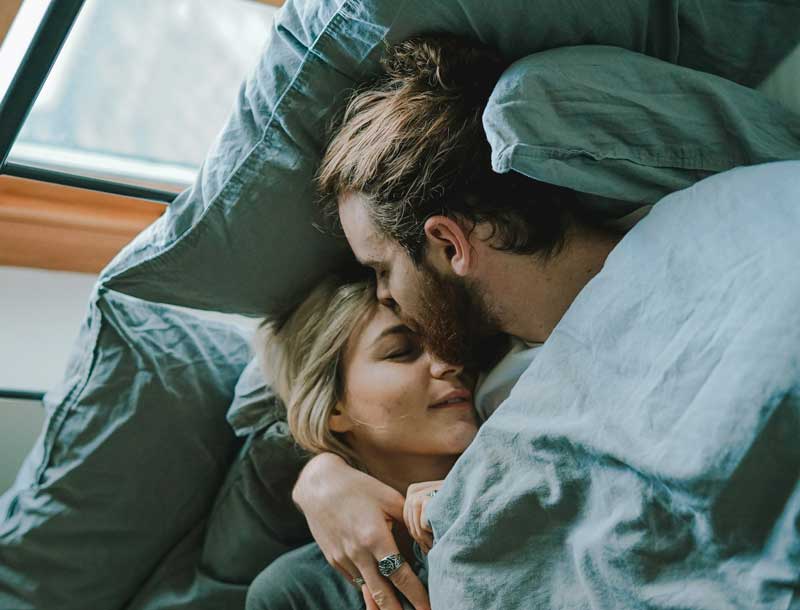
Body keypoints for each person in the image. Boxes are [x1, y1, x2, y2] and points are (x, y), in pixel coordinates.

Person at [292, 33, 625, 610]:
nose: (386, 295)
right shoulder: (498, 379)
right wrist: (319, 476)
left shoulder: (542, 379)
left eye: (382, 270)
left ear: (448, 244)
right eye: (401, 350)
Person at [245, 274, 484, 610]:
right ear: (333, 408)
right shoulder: (295, 593)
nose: (449, 363)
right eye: (401, 352)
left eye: (448, 340)